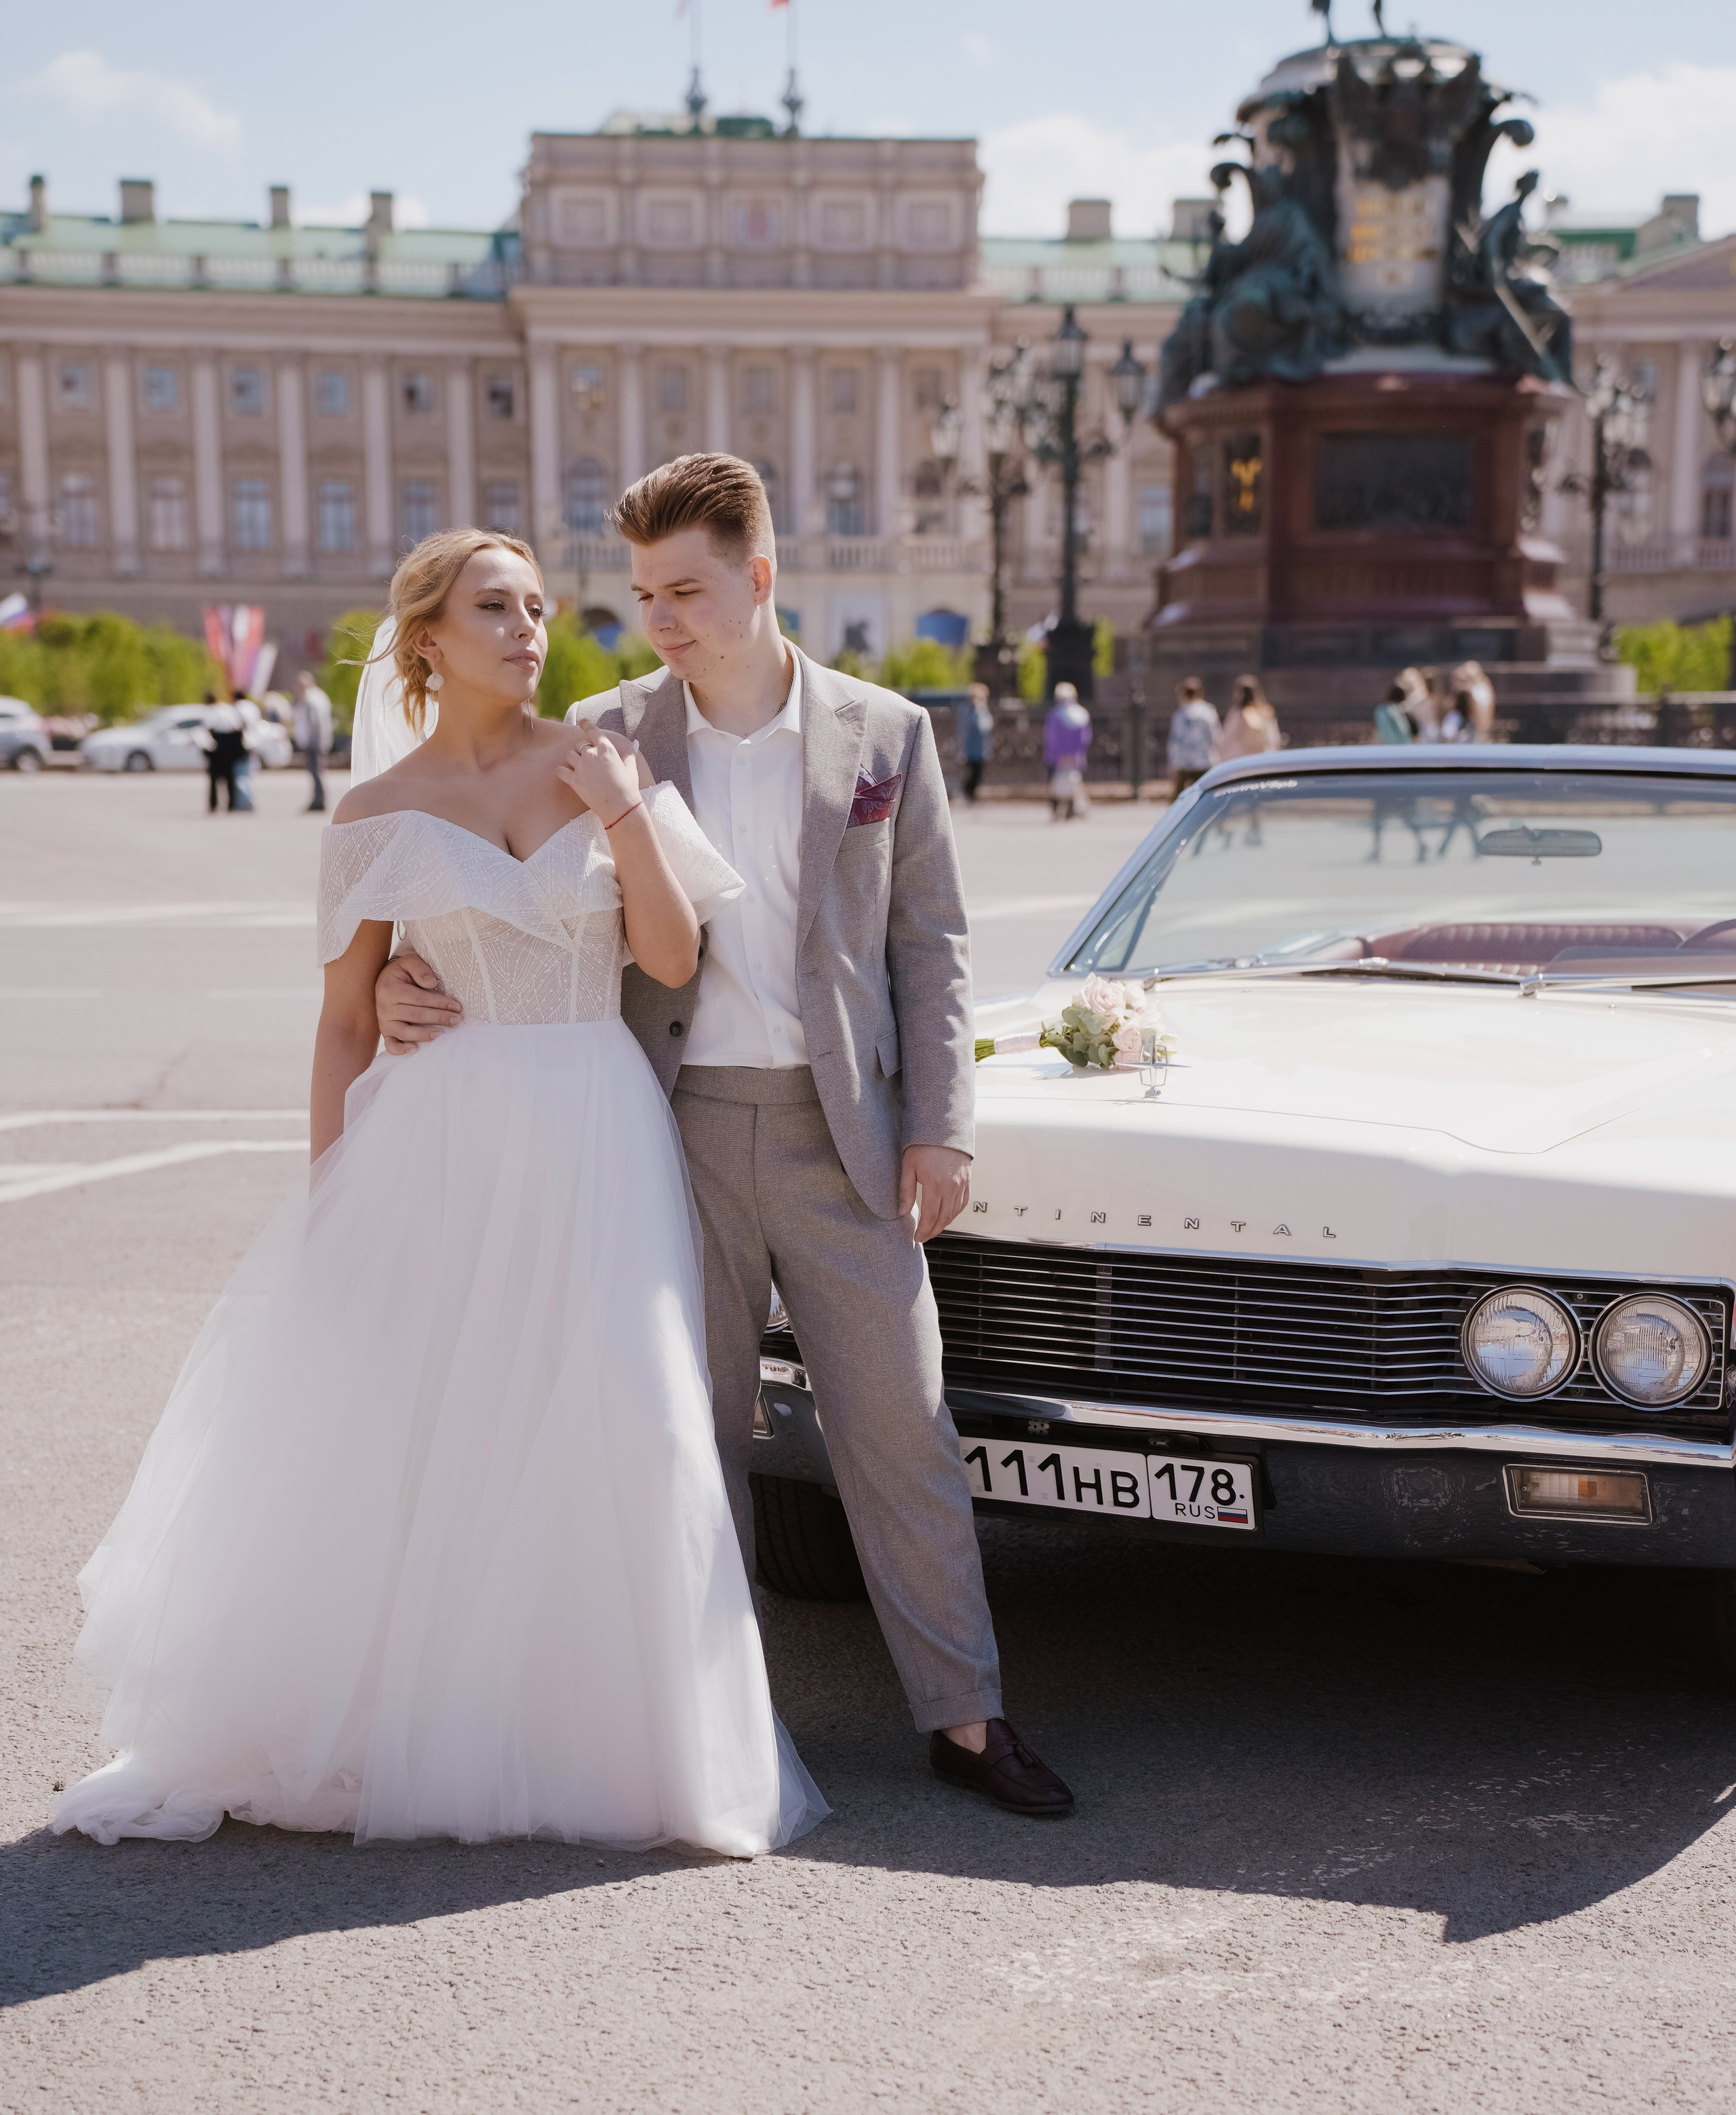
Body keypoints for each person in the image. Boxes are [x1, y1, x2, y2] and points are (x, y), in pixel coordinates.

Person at [53, 526, 827, 1856]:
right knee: (431, 1432)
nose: (529, 627)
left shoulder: (606, 766)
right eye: (494, 607)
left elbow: (667, 953)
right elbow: (345, 1023)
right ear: (427, 639)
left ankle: (623, 1745)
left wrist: (626, 812)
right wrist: (328, 1206)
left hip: (594, 1118)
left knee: (616, 1416)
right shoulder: (371, 814)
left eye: (535, 605)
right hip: (440, 1134)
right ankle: (411, 1725)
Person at [377, 457, 1075, 1819]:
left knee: (902, 1430)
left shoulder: (887, 732)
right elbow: (499, 879)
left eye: (686, 589)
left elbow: (928, 944)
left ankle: (967, 1715)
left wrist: (941, 1125)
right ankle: (707, 1732)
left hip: (846, 1139)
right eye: (642, 594)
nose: (661, 619)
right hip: (664, 1125)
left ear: (759, 579)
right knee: (679, 1433)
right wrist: (412, 972)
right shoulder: (604, 729)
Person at [1043, 682, 1093, 821]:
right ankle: (1071, 811)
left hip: (1057, 757)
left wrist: (1056, 754)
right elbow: (1086, 738)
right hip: (1076, 756)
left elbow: (1051, 738)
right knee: (1074, 783)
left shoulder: (1055, 715)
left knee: (1055, 784)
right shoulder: (1082, 713)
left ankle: (1055, 811)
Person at [1166, 678, 1221, 796]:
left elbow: (1175, 742)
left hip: (1184, 764)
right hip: (1205, 761)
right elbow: (1216, 737)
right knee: (1207, 796)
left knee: (1179, 800)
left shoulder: (1180, 714)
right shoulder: (1209, 711)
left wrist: (1173, 764)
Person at [292, 670, 334, 812]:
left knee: (316, 772)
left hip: (314, 742)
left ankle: (319, 801)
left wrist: (313, 741)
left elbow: (314, 723)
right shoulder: (320, 696)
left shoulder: (311, 699)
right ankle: (318, 799)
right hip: (319, 741)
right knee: (317, 772)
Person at [199, 695, 249, 813]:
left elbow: (206, 730)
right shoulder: (229, 709)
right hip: (231, 746)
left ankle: (213, 804)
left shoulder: (212, 712)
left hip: (217, 746)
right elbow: (239, 726)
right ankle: (231, 804)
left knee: (214, 779)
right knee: (230, 778)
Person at [1218, 674, 1282, 760]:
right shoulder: (1265, 711)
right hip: (1263, 758)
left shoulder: (1237, 713)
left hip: (1241, 760)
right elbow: (1274, 739)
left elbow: (1226, 738)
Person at [954, 682, 994, 804]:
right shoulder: (968, 710)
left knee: (978, 773)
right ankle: (966, 793)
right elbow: (978, 726)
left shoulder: (983, 710)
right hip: (970, 748)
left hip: (981, 748)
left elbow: (989, 726)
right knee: (971, 773)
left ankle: (970, 794)